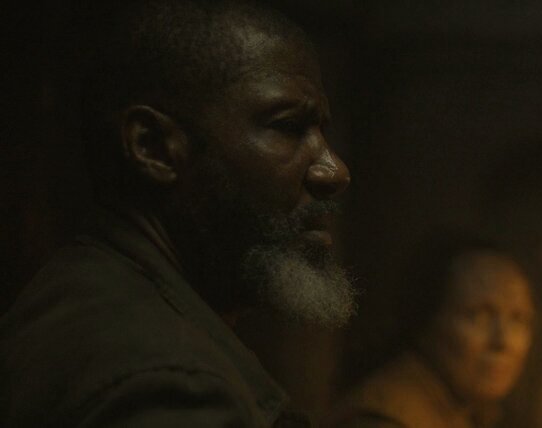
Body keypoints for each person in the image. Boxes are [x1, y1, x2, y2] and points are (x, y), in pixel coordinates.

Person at [0, 1, 355, 426]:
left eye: (322, 131)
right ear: (152, 147)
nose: (335, 171)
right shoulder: (172, 387)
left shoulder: (87, 298)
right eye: (288, 126)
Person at [332, 238, 536, 428]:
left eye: (518, 319)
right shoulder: (383, 419)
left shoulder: (469, 413)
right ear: (427, 319)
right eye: (479, 316)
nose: (503, 342)